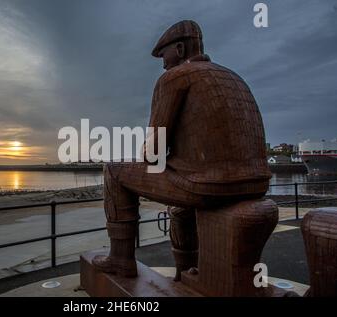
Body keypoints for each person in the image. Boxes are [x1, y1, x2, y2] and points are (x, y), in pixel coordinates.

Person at [92, 20, 271, 277]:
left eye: (163, 55)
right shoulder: (233, 76)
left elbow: (153, 152)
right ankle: (186, 273)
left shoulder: (174, 78)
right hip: (256, 183)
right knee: (179, 210)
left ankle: (121, 259)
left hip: (209, 185)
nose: (163, 63)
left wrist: (147, 153)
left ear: (179, 48)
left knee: (114, 170)